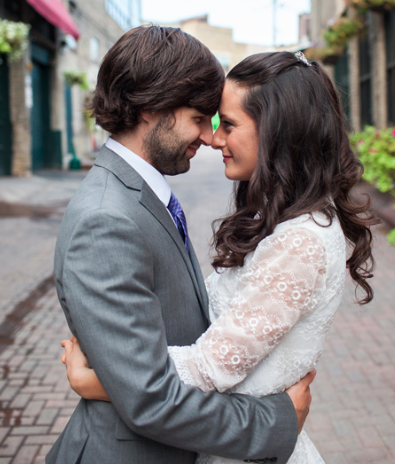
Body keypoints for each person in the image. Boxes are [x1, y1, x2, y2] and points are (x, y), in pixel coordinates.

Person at [61, 50, 376, 464]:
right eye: (207, 121)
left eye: (227, 124)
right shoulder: (283, 221)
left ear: (278, 131)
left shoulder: (301, 240)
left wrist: (103, 376)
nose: (214, 139)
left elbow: (210, 367)